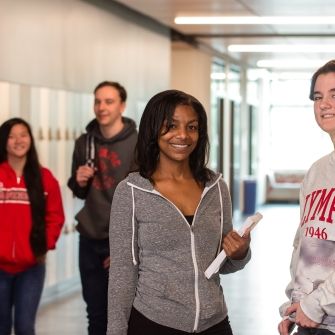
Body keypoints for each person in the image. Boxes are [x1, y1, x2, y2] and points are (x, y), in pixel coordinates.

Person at [107, 89, 252, 335]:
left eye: (192, 127)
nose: (183, 135)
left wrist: (240, 253)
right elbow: (122, 274)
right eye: (171, 126)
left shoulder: (216, 188)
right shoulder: (131, 191)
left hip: (214, 323)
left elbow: (221, 264)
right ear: (154, 129)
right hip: (155, 323)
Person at [67, 81, 137, 335]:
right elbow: (78, 190)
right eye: (97, 101)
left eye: (108, 101)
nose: (101, 107)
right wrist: (80, 180)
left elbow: (143, 199)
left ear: (122, 105)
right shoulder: (84, 142)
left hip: (120, 240)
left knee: (122, 316)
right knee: (95, 314)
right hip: (89, 238)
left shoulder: (137, 144)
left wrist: (124, 246)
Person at [278, 60, 335, 335]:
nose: (324, 104)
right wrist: (296, 304)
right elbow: (304, 244)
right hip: (312, 322)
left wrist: (315, 306)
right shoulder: (317, 171)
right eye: (318, 97)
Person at [0, 117, 65, 335]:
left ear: (30, 139)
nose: (18, 140)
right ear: (4, 141)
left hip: (32, 268)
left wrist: (42, 245)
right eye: (11, 136)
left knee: (25, 327)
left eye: (23, 135)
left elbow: (55, 216)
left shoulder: (44, 178)